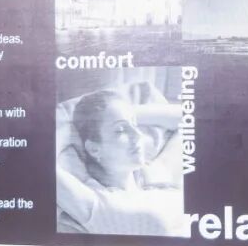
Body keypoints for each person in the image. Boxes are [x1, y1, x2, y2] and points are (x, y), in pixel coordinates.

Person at [56, 89, 184, 237]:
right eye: (120, 130)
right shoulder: (98, 203)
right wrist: (69, 130)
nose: (138, 135)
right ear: (94, 149)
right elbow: (42, 162)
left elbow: (187, 119)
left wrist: (125, 112)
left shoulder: (155, 175)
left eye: (135, 125)